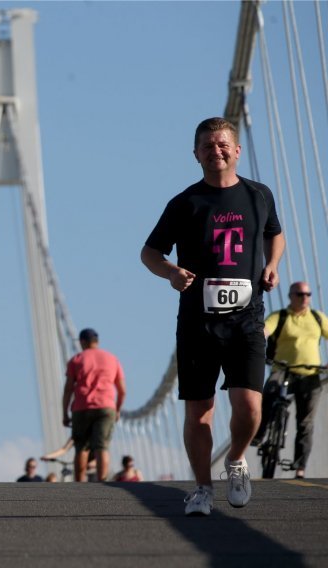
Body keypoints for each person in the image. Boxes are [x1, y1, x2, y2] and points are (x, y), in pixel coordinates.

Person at [141, 117, 284, 516]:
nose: (215, 150)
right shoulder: (185, 203)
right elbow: (149, 253)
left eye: (223, 144)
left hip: (247, 318)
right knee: (199, 410)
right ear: (196, 154)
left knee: (250, 407)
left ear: (236, 151)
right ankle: (202, 488)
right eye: (207, 146)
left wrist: (272, 264)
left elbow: (276, 233)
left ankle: (236, 460)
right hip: (197, 321)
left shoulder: (259, 195)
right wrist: (170, 272)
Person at [253, 281, 328, 478]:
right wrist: (256, 341)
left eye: (308, 294)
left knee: (305, 422)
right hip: (282, 369)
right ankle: (260, 433)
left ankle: (300, 467)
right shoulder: (281, 316)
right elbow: (265, 330)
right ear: (290, 296)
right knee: (268, 394)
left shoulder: (318, 318)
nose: (305, 298)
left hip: (310, 373)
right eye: (300, 294)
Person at [62, 328, 126, 482]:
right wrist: (117, 409)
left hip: (82, 407)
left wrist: (65, 413)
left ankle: (79, 482)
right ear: (96, 342)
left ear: (83, 342)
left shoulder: (76, 359)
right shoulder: (112, 359)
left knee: (81, 447)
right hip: (106, 407)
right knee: (102, 447)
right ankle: (102, 481)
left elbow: (68, 389)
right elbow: (122, 390)